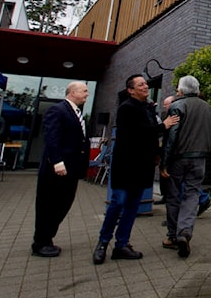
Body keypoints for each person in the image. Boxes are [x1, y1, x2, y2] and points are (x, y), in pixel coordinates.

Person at [93, 74, 178, 265]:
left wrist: (157, 153)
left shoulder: (148, 108)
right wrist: (162, 126)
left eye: (146, 84)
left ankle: (122, 244)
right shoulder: (126, 109)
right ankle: (102, 243)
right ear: (130, 90)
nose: (145, 87)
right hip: (126, 165)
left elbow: (151, 136)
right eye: (141, 85)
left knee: (132, 207)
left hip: (143, 166)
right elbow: (139, 132)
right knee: (118, 203)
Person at [32, 81, 90, 258]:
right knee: (48, 205)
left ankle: (47, 238)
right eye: (84, 91)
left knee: (64, 203)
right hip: (57, 170)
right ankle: (40, 242)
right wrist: (57, 162)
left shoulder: (76, 112)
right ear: (72, 92)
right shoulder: (58, 110)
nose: (87, 94)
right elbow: (51, 137)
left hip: (71, 170)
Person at [161, 75, 211, 258]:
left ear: (181, 90)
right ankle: (185, 232)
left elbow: (172, 136)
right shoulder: (208, 108)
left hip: (179, 158)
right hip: (200, 158)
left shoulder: (177, 105)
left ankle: (172, 236)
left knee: (173, 195)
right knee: (192, 194)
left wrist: (165, 162)